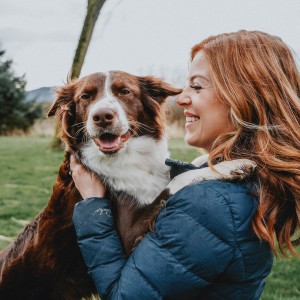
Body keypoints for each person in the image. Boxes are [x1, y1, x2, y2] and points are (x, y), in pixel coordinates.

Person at [70, 30, 300, 299]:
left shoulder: (209, 205)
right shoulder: (246, 176)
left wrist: (93, 208)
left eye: (197, 86)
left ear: (244, 97)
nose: (180, 99)